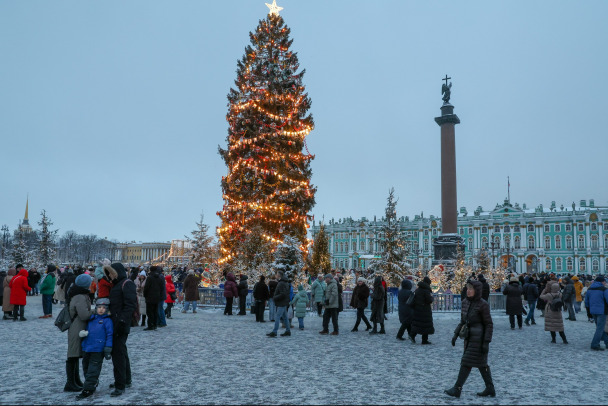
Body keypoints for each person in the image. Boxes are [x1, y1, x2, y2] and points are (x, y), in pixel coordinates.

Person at [445, 281, 494, 398]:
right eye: (467, 288)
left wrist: (486, 342)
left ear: (477, 290)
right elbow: (463, 321)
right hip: (469, 337)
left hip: (479, 338)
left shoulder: (483, 304)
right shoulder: (465, 302)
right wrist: (456, 334)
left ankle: (457, 388)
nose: (468, 291)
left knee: (466, 362)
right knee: (481, 364)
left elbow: (489, 324)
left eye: (471, 289)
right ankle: (490, 388)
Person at [105, 262, 137, 396]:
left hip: (120, 324)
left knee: (118, 354)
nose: (109, 277)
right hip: (117, 322)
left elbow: (130, 304)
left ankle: (120, 384)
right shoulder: (118, 284)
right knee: (121, 352)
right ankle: (125, 380)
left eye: (110, 274)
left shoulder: (126, 283)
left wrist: (122, 320)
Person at [76, 298, 113, 399]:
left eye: (103, 308)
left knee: (93, 369)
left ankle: (88, 388)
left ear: (107, 309)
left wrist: (108, 348)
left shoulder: (107, 321)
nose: (101, 309)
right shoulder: (92, 318)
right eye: (99, 307)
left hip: (98, 349)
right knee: (86, 367)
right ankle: (92, 382)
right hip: (87, 348)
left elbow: (110, 335)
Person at [64, 273, 93, 392]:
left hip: (77, 326)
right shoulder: (80, 296)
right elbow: (84, 314)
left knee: (74, 354)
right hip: (77, 327)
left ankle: (75, 380)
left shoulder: (76, 293)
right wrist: (95, 311)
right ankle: (70, 382)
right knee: (73, 354)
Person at [584, 275, 608, 351]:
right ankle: (594, 344)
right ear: (602, 282)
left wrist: (588, 312)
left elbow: (586, 302)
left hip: (593, 311)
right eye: (604, 282)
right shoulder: (604, 290)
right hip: (602, 311)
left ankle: (607, 343)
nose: (605, 283)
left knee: (599, 327)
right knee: (600, 329)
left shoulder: (590, 289)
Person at [409, 277, 434, 344]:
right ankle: (424, 340)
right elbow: (428, 300)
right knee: (425, 325)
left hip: (418, 309)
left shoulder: (418, 289)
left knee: (418, 323)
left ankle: (412, 335)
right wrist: (432, 298)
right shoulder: (426, 290)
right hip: (425, 310)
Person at [267, 271, 291, 337]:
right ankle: (288, 331)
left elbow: (282, 294)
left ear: (279, 276)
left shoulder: (281, 283)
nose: (276, 276)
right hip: (284, 302)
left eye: (277, 275)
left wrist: (275, 297)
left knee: (277, 317)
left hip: (281, 303)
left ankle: (274, 332)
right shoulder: (285, 282)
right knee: (285, 317)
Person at [143, 266, 164, 330]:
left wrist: (145, 295)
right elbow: (161, 288)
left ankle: (150, 325)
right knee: (155, 311)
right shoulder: (159, 278)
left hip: (149, 297)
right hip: (157, 297)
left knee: (149, 312)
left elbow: (146, 288)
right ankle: (155, 324)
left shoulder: (149, 278)